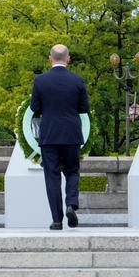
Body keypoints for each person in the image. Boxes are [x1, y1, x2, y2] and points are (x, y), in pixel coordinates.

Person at [30, 44, 90, 231]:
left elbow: (34, 108)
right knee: (72, 171)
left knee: (52, 176)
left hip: (49, 134)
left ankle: (57, 220)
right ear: (68, 58)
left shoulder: (40, 81)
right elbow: (84, 109)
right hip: (71, 133)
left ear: (50, 59)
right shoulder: (78, 80)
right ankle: (71, 204)